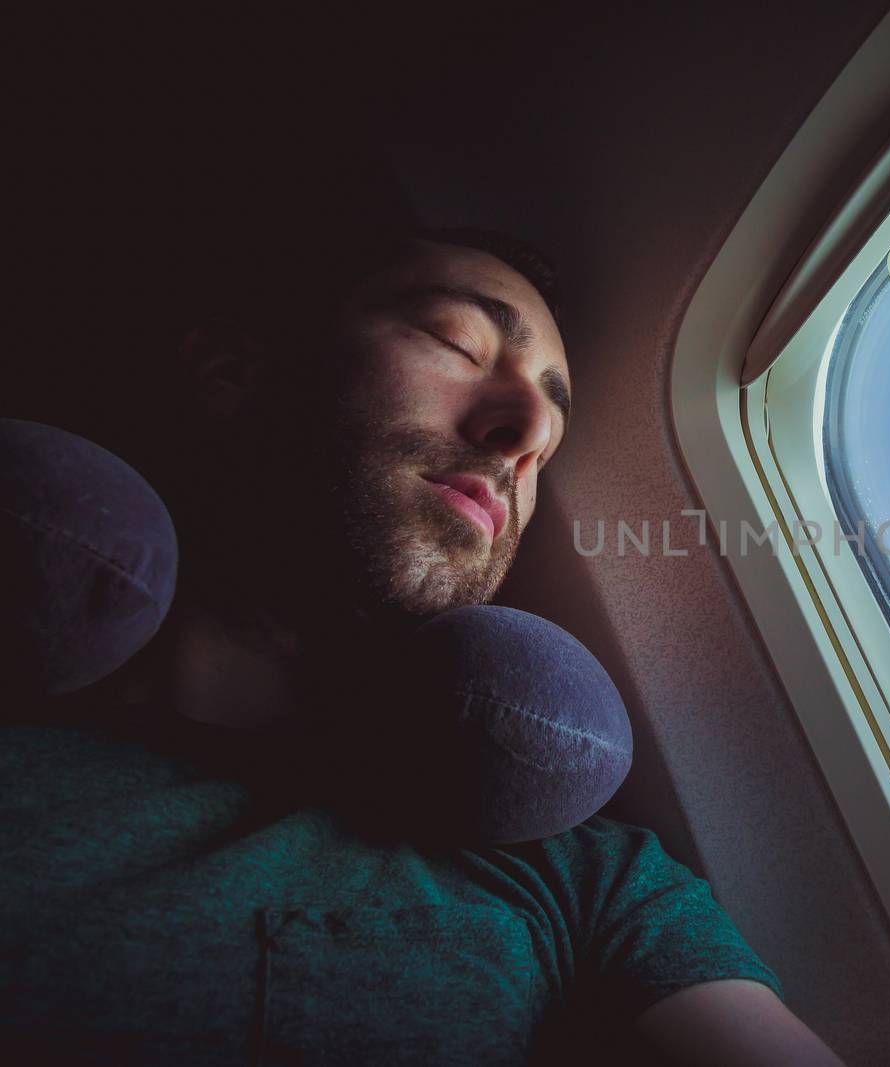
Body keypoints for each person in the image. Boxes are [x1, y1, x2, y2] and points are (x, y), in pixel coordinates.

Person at [0, 228, 846, 1065]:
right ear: (230, 369)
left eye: (552, 434)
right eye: (456, 341)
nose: (525, 434)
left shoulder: (584, 875)